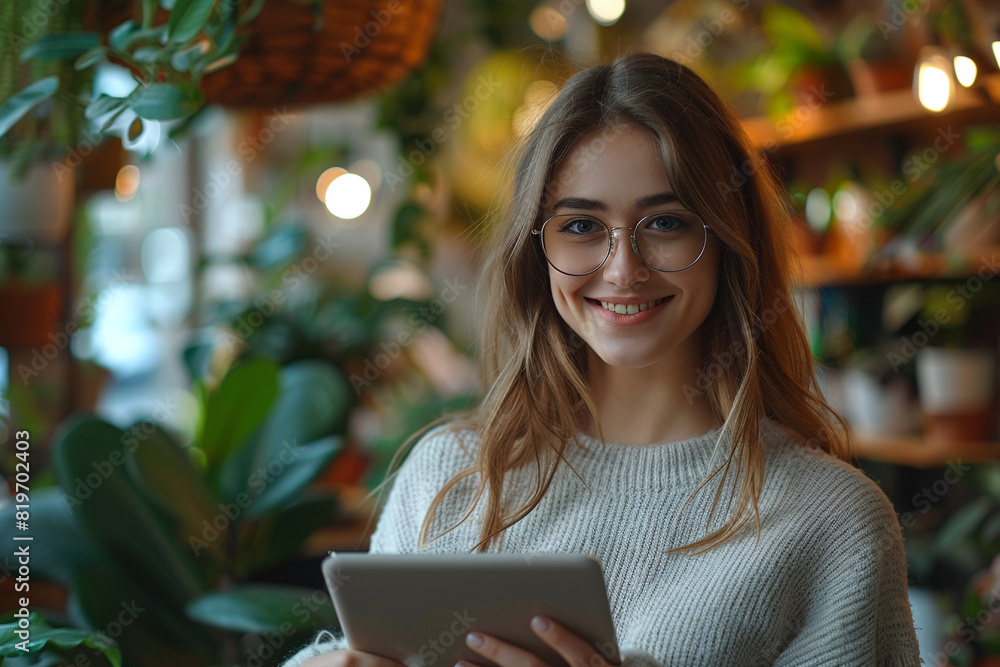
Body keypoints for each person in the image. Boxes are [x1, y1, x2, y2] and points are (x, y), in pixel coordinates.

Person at [280, 51, 921, 667]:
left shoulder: (833, 522)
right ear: (537, 249)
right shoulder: (449, 477)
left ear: (729, 237)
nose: (623, 269)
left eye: (666, 222)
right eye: (582, 226)